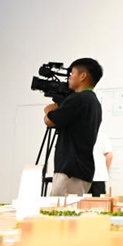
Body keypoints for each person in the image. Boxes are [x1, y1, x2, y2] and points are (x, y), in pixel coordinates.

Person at [43, 58, 103, 196]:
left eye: (73, 73)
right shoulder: (94, 102)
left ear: (83, 76)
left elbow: (50, 121)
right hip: (81, 170)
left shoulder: (79, 99)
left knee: (60, 214)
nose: (69, 77)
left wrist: (49, 110)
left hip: (70, 170)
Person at [90, 129, 113, 197]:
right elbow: (109, 155)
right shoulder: (102, 136)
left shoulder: (102, 136)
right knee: (100, 204)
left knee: (84, 204)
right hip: (98, 177)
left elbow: (109, 155)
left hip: (91, 178)